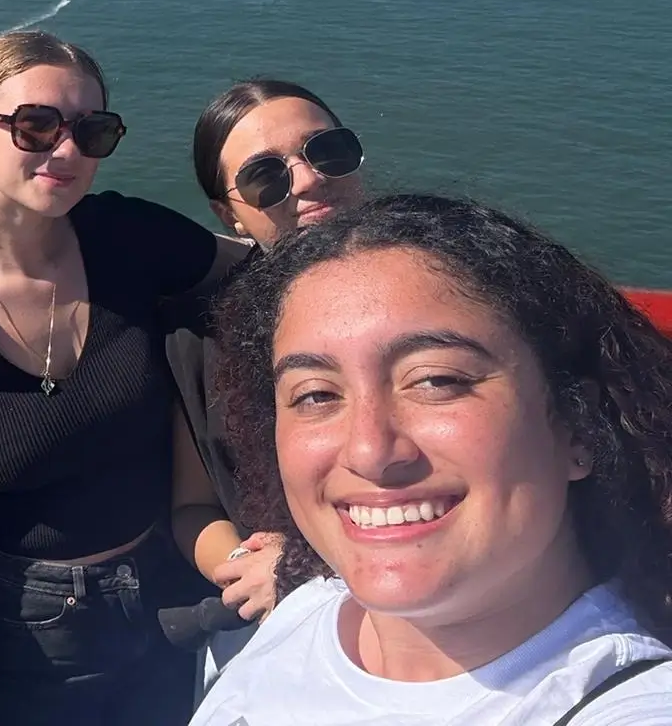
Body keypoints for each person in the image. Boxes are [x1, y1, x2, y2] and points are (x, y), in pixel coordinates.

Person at [0, 30, 251, 726]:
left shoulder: (128, 236)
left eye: (91, 131)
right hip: (29, 633)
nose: (66, 151)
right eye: (36, 126)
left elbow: (265, 274)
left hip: (169, 600)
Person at [192, 194, 672, 726]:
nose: (369, 451)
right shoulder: (309, 606)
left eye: (436, 381)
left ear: (578, 424)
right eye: (316, 395)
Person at [165, 79, 367, 680]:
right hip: (283, 624)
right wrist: (250, 564)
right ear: (228, 214)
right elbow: (193, 508)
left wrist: (313, 559)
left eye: (326, 150)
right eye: (264, 176)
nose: (305, 180)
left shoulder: (453, 292)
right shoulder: (203, 341)